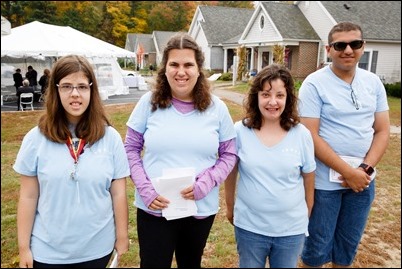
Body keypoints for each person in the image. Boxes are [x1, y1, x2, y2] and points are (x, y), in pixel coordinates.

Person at [124, 32, 237, 268]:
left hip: (199, 208)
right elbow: (131, 149)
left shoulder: (218, 109)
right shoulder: (148, 103)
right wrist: (145, 189)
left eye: (188, 64)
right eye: (174, 64)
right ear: (165, 68)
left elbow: (229, 154)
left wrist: (207, 181)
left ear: (199, 69)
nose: (181, 71)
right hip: (155, 207)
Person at [13, 55, 130, 268]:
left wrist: (122, 236)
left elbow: (119, 192)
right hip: (48, 252)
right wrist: (24, 248)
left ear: (92, 91)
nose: (75, 94)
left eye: (82, 87)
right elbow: (28, 196)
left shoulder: (110, 137)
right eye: (67, 86)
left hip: (97, 250)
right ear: (55, 90)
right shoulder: (35, 138)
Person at [298, 22, 390, 268]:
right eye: (340, 45)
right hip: (324, 184)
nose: (348, 50)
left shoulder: (373, 83)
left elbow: (382, 131)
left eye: (355, 44)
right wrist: (348, 172)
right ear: (329, 49)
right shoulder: (314, 83)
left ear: (363, 47)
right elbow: (310, 135)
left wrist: (364, 170)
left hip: (363, 182)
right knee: (316, 248)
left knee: (347, 248)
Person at [225, 63, 316, 268]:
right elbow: (230, 173)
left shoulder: (301, 134)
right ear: (256, 97)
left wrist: (306, 213)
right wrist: (230, 208)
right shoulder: (239, 131)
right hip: (250, 227)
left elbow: (309, 178)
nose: (273, 102)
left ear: (288, 98)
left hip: (290, 231)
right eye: (266, 94)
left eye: (279, 95)